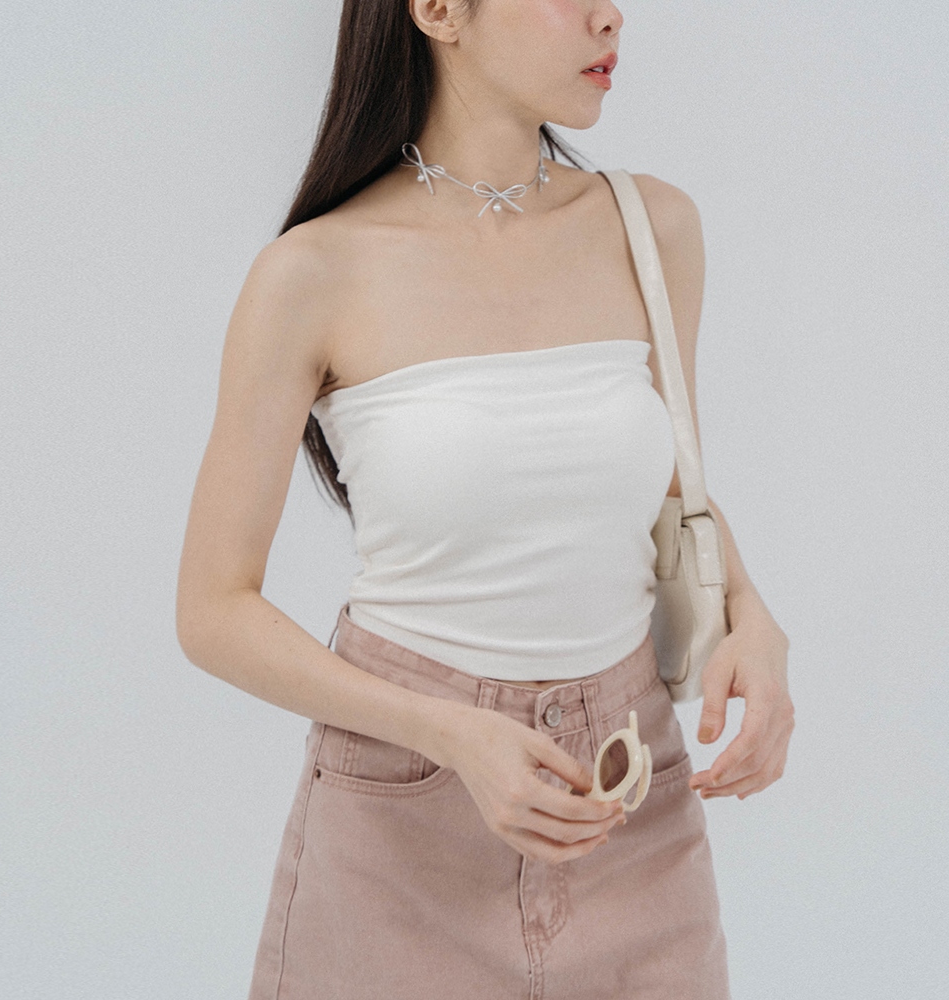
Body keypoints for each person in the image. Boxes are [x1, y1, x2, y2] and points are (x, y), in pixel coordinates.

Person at [175, 1, 794, 997]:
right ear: (436, 10)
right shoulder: (311, 274)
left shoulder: (652, 229)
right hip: (399, 826)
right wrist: (448, 731)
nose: (610, 15)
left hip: (630, 796)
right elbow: (212, 610)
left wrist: (753, 622)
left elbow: (671, 496)